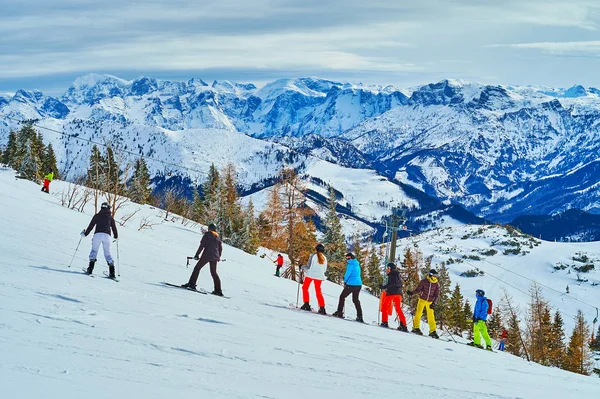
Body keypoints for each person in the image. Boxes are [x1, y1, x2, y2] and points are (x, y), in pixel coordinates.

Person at [182, 223, 224, 296]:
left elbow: (202, 246)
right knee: (214, 273)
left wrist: (197, 254)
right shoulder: (217, 237)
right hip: (215, 257)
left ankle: (191, 284)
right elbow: (220, 248)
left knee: (197, 268)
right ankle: (218, 290)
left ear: (209, 228)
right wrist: (218, 257)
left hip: (207, 255)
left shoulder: (207, 235)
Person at [82, 202, 118, 278]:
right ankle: (112, 272)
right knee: (107, 254)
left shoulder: (97, 216)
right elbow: (114, 228)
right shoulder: (110, 217)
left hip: (97, 235)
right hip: (107, 236)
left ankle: (90, 269)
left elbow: (91, 226)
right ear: (108, 208)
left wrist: (85, 234)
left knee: (94, 251)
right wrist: (116, 236)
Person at [406, 269, 440, 338]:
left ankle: (432, 331)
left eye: (436, 276)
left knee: (431, 316)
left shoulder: (436, 284)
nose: (435, 277)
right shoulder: (424, 282)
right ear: (431, 275)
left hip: (430, 302)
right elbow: (418, 289)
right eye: (434, 275)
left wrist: (434, 303)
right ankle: (416, 327)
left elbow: (436, 295)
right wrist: (412, 293)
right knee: (418, 313)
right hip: (422, 299)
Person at [332, 253, 363, 322]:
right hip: (358, 284)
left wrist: (345, 280)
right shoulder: (357, 263)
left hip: (351, 284)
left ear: (352, 258)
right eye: (346, 258)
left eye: (348, 258)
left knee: (342, 296)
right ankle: (360, 316)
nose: (347, 259)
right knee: (355, 300)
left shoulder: (350, 264)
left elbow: (347, 273)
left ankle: (339, 312)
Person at [379, 262, 408, 331]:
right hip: (398, 294)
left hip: (392, 293)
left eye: (387, 268)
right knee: (398, 309)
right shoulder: (398, 274)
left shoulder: (392, 274)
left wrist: (383, 287)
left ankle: (384, 321)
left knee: (385, 306)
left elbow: (391, 284)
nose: (387, 270)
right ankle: (403, 324)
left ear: (390, 268)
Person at [300, 243, 327, 314]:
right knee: (318, 291)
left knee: (305, 288)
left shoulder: (313, 256)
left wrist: (302, 266)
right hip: (320, 276)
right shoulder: (324, 258)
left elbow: (308, 267)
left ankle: (306, 304)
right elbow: (324, 269)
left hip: (311, 275)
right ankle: (322, 308)